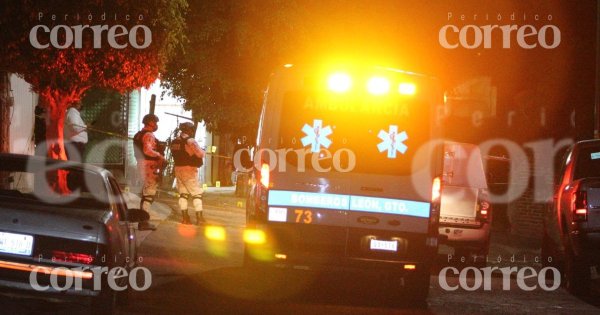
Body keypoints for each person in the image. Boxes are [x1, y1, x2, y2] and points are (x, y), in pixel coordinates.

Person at [133, 114, 165, 231]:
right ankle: (144, 222)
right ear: (150, 122)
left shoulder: (138, 134)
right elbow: (147, 150)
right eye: (155, 123)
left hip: (141, 164)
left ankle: (143, 220)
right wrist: (159, 155)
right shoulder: (148, 135)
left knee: (146, 194)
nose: (156, 125)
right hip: (149, 166)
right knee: (149, 195)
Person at [170, 122, 206, 225]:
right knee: (197, 194)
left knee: (183, 194)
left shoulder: (174, 141)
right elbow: (200, 153)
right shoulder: (190, 141)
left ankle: (185, 218)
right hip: (189, 170)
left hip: (178, 169)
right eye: (191, 129)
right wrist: (204, 151)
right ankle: (200, 219)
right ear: (189, 130)